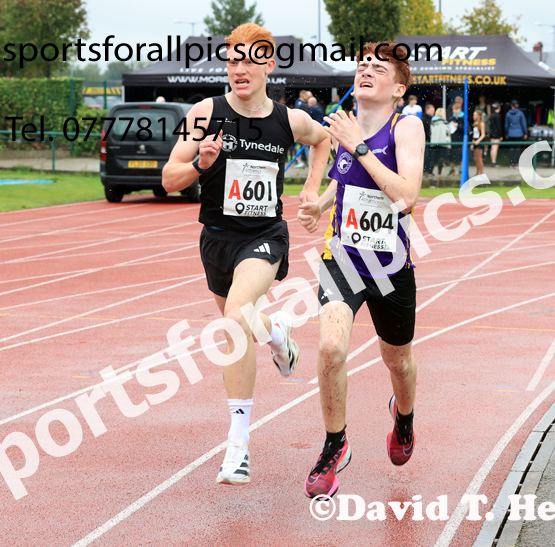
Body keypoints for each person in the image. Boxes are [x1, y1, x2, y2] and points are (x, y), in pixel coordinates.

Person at [161, 23, 330, 487]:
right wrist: (201, 163)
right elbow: (169, 178)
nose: (239, 68)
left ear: (268, 66)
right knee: (241, 329)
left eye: (250, 60)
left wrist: (312, 189)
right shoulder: (205, 113)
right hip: (216, 240)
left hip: (265, 238)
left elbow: (323, 141)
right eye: (232, 60)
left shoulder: (289, 119)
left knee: (234, 318)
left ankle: (237, 446)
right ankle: (277, 333)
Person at [297, 41, 424, 499]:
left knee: (398, 361)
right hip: (344, 259)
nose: (366, 69)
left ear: (398, 87)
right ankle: (335, 444)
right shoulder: (344, 129)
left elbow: (406, 196)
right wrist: (320, 206)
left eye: (378, 66)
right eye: (362, 64)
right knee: (331, 348)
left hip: (390, 266)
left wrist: (361, 145)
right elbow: (344, 175)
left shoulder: (406, 127)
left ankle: (403, 418)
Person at [429, 107, 452, 185]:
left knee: (432, 159)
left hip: (434, 143)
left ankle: (430, 174)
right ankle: (439, 174)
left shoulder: (432, 122)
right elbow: (447, 134)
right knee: (440, 160)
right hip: (443, 144)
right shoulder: (445, 123)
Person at [504, 99, 527, 168]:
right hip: (519, 134)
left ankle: (511, 163)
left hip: (510, 133)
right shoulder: (520, 113)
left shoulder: (508, 114)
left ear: (511, 105)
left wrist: (506, 133)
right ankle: (517, 163)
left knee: (511, 149)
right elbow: (523, 124)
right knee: (517, 149)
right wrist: (525, 132)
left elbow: (506, 125)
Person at [447, 102, 465, 176]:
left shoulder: (463, 117)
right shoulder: (451, 118)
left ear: (460, 109)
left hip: (460, 139)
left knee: (460, 155)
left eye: (456, 109)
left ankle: (461, 170)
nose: (454, 110)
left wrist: (459, 126)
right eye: (453, 109)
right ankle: (452, 169)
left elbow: (466, 128)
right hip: (452, 139)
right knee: (452, 155)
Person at [421, 103, 435, 179]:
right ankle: (424, 171)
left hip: (429, 142)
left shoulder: (431, 120)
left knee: (430, 157)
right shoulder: (424, 120)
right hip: (426, 142)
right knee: (426, 157)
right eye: (432, 110)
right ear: (427, 110)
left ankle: (428, 171)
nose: (433, 112)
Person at [470, 110, 486, 176]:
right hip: (475, 141)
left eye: (475, 115)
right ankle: (477, 172)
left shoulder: (481, 123)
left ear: (479, 116)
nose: (473, 116)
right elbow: (474, 134)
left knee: (479, 158)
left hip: (479, 142)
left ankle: (481, 173)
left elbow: (483, 134)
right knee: (475, 158)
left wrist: (478, 141)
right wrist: (472, 143)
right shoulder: (475, 123)